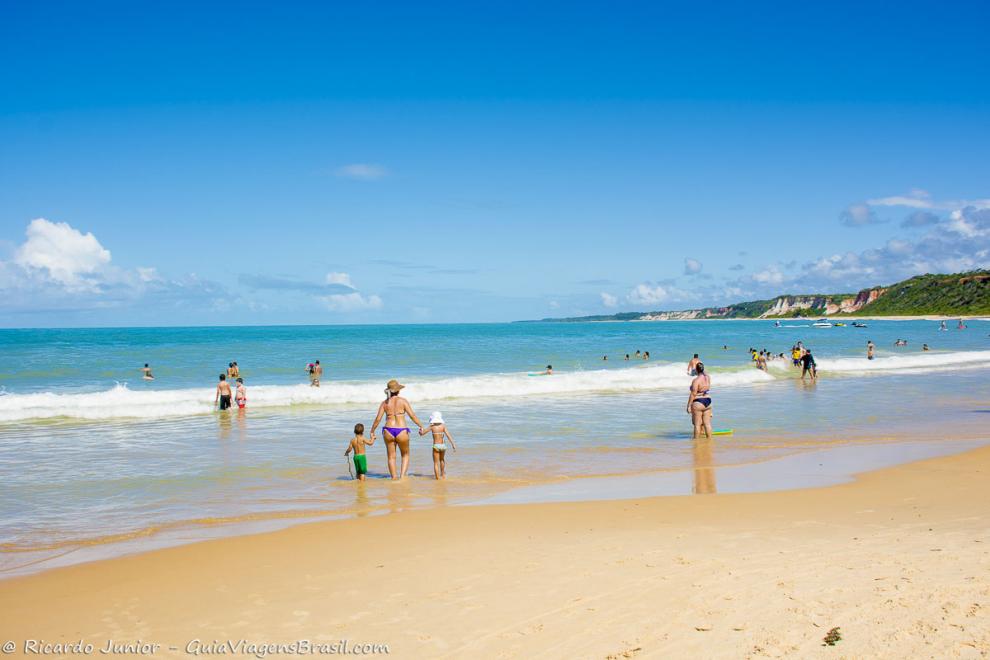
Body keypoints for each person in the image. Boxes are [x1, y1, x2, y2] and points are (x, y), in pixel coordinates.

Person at [371, 379, 425, 480]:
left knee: (391, 457)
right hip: (401, 430)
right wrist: (420, 426)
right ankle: (402, 477)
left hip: (388, 430)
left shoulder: (384, 403)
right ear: (398, 390)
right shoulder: (403, 401)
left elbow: (378, 419)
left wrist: (372, 431)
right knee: (405, 455)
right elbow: (412, 416)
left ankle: (394, 478)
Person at [419, 411, 457, 480]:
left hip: (436, 446)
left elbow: (422, 433)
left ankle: (437, 478)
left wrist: (420, 431)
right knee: (442, 460)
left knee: (436, 463)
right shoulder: (443, 426)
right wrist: (453, 444)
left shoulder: (432, 427)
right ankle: (443, 475)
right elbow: (448, 435)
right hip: (443, 446)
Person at [686, 362, 713, 439]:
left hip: (698, 401)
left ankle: (696, 442)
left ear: (696, 370)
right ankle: (709, 440)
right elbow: (704, 372)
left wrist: (688, 406)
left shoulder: (696, 380)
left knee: (697, 424)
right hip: (708, 401)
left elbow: (693, 394)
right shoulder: (707, 377)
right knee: (707, 424)